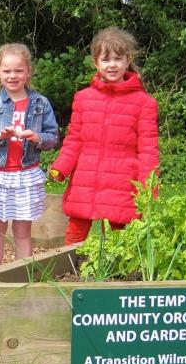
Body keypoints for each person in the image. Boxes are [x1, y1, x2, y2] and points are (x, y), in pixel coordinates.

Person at [50, 27, 159, 244]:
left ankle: (116, 274)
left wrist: (149, 185)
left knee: (119, 232)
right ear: (96, 63)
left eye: (118, 59)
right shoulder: (83, 98)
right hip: (86, 177)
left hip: (123, 180)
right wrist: (61, 167)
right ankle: (70, 271)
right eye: (106, 59)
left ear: (128, 61)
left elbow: (148, 149)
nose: (112, 65)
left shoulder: (144, 103)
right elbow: (74, 139)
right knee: (76, 229)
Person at [0, 43, 58, 267]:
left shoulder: (40, 103)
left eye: (18, 70)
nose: (13, 76)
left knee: (22, 232)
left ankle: (23, 279)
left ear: (28, 71)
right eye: (7, 70)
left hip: (26, 175)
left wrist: (37, 138)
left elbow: (53, 137)